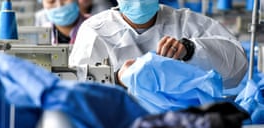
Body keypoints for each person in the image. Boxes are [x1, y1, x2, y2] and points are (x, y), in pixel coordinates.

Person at [69, 0, 248, 89]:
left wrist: (190, 50)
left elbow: (236, 69)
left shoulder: (187, 23)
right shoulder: (94, 31)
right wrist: (116, 78)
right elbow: (75, 86)